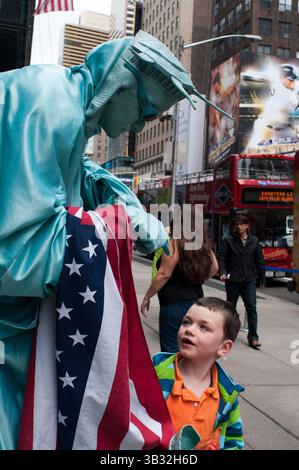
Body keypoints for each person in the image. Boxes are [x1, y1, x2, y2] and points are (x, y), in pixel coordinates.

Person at [0, 30, 209, 450]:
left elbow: (77, 179)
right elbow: (13, 257)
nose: (139, 125)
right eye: (146, 108)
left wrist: (122, 206)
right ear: (121, 82)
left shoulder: (67, 110)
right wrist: (121, 224)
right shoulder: (51, 100)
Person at [153, 297, 244, 450]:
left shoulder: (226, 393)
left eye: (204, 328)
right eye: (186, 322)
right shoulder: (155, 375)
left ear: (224, 347)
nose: (189, 330)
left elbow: (234, 441)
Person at [141, 214, 219, 353]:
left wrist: (147, 296)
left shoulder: (175, 243)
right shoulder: (202, 244)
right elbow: (214, 268)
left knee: (170, 352)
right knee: (188, 351)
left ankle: (172, 376)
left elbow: (164, 273)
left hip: (173, 305)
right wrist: (197, 278)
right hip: (196, 304)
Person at [218, 214, 265, 349]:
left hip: (249, 279)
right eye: (236, 224)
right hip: (233, 279)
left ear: (246, 226)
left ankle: (253, 337)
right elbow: (222, 258)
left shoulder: (254, 241)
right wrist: (222, 272)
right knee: (230, 308)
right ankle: (227, 335)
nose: (238, 227)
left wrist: (262, 279)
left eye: (241, 224)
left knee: (251, 307)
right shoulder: (228, 240)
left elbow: (259, 261)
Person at [246, 63, 299, 149]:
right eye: (290, 79)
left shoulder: (291, 88)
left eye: (293, 79)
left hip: (281, 127)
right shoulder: (280, 90)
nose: (292, 82)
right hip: (267, 124)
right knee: (256, 149)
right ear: (282, 78)